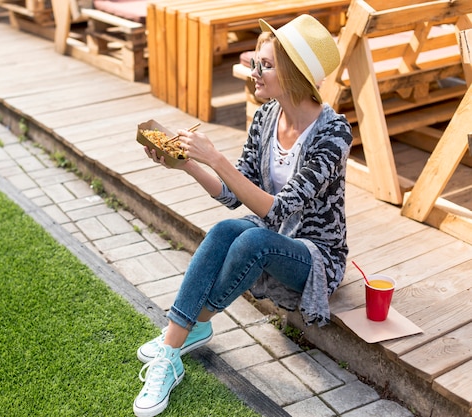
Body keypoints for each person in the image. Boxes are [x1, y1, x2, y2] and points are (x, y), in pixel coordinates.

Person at [133, 14, 353, 417]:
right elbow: (237, 197)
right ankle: (176, 345)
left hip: (315, 254)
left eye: (265, 65)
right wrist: (189, 165)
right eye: (256, 62)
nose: (254, 71)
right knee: (225, 229)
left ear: (294, 74)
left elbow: (281, 208)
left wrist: (216, 157)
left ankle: (177, 338)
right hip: (270, 231)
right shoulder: (266, 117)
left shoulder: (334, 134)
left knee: (251, 237)